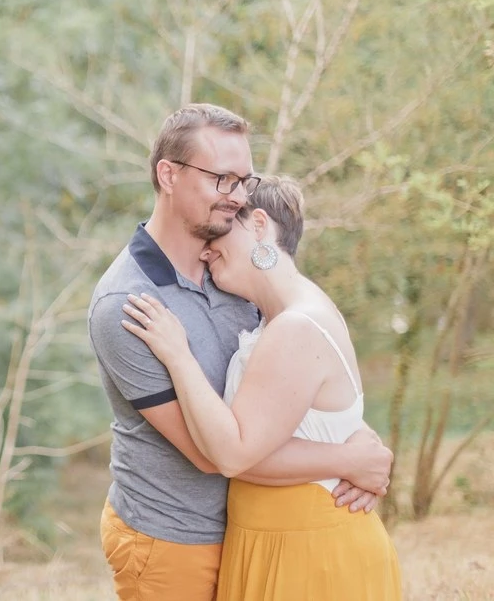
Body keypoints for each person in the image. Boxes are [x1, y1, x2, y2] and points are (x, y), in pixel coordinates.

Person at [87, 104, 393, 601]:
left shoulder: (237, 279)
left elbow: (293, 396)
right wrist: (347, 458)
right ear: (168, 174)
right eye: (221, 180)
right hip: (174, 539)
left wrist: (360, 442)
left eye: (243, 182)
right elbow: (215, 454)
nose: (236, 198)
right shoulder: (128, 305)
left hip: (257, 530)